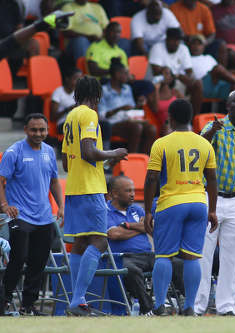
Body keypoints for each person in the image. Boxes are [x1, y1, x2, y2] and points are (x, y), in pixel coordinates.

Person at [143, 99, 218, 316]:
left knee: (164, 256)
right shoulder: (204, 144)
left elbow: (151, 179)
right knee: (193, 257)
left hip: (171, 204)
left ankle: (159, 306)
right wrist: (212, 209)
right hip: (198, 203)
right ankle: (189, 307)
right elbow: (212, 179)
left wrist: (148, 211)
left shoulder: (162, 143)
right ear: (191, 118)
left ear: (170, 119)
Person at [62, 76, 128, 316]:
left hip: (74, 188)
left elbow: (67, 164)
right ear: (97, 96)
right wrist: (114, 152)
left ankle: (74, 301)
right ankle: (79, 299)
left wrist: (105, 160)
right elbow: (89, 152)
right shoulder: (89, 115)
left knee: (80, 243)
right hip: (90, 188)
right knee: (99, 241)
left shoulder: (70, 117)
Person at [195, 89, 235, 316]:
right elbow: (199, 148)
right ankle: (198, 306)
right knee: (203, 254)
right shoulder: (215, 127)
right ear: (228, 106)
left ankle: (226, 307)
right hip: (210, 198)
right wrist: (211, 132)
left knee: (232, 258)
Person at [0, 113, 64, 316]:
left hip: (44, 216)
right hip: (21, 215)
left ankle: (28, 306)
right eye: (34, 129)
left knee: (38, 262)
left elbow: (54, 181)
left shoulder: (49, 151)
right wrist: (4, 205)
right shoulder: (14, 151)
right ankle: (4, 302)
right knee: (18, 260)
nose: (39, 133)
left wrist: (61, 206)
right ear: (26, 129)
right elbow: (0, 180)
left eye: (42, 130)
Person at [106, 176, 155, 316]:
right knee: (130, 270)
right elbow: (114, 234)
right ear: (114, 193)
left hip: (147, 255)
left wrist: (127, 226)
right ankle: (148, 308)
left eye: (133, 190)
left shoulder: (137, 209)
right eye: (128, 191)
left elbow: (150, 228)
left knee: (173, 262)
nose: (133, 194)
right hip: (124, 257)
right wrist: (140, 228)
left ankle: (188, 305)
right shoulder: (105, 211)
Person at [98, 58, 156, 154]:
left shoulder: (127, 88)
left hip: (129, 121)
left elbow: (131, 109)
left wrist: (139, 104)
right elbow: (102, 116)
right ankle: (132, 159)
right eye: (125, 73)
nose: (128, 76)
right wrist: (120, 109)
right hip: (112, 124)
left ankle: (144, 160)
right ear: (117, 74)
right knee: (137, 127)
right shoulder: (103, 90)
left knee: (151, 129)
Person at [149, 28, 203, 115]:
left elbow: (189, 71)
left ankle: (195, 117)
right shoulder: (157, 48)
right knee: (166, 73)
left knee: (197, 83)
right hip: (158, 82)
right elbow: (156, 72)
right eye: (173, 40)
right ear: (167, 39)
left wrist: (187, 78)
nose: (176, 43)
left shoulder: (183, 48)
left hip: (176, 81)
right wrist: (176, 76)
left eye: (178, 40)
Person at [187, 34, 235, 100]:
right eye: (194, 44)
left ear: (204, 46)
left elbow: (223, 72)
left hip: (217, 86)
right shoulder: (187, 59)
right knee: (217, 68)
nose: (196, 47)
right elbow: (218, 70)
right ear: (190, 46)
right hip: (201, 86)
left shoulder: (208, 57)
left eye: (199, 44)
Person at [0, 10, 73, 60]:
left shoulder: (13, 3)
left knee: (33, 44)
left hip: (8, 40)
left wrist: (41, 24)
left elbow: (9, 43)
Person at [51, 67, 81, 134]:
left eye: (80, 79)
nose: (78, 82)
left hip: (77, 122)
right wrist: (68, 109)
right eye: (76, 79)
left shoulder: (78, 92)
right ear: (67, 79)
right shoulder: (58, 92)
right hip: (63, 123)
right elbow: (53, 117)